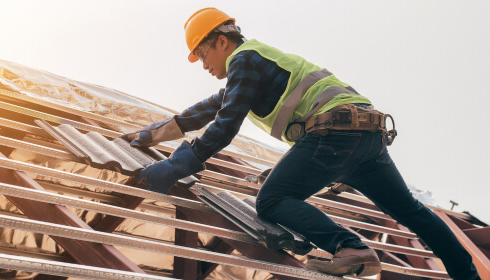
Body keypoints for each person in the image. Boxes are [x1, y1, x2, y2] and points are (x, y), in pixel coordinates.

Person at [121, 7, 480, 279]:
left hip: (336, 135)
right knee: (413, 213)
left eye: (201, 54)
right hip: (366, 135)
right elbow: (206, 110)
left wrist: (178, 163)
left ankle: (351, 248)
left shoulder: (243, 60)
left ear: (221, 41)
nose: (202, 65)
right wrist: (153, 134)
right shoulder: (257, 64)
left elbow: (226, 123)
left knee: (272, 200)